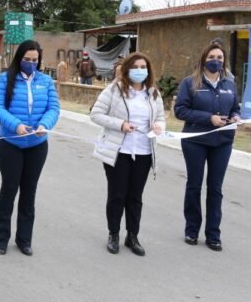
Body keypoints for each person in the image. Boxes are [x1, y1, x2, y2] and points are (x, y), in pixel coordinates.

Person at [90, 52, 165, 256]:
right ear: (127, 69)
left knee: (135, 197)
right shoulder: (114, 91)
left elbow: (160, 117)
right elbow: (95, 114)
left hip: (143, 152)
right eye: (136, 67)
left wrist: (158, 126)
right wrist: (120, 124)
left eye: (144, 67)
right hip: (118, 151)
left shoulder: (153, 94)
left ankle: (132, 236)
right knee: (117, 195)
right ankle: (113, 233)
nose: (140, 71)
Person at [0, 40, 60, 256]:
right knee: (9, 188)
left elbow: (54, 108)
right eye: (27, 60)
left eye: (34, 60)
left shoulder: (46, 81)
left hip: (37, 145)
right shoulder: (5, 79)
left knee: (29, 191)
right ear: (19, 58)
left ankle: (24, 239)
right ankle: (1, 238)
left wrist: (45, 125)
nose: (31, 63)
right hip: (10, 143)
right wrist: (16, 125)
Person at [174, 42, 240, 251]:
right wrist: (208, 118)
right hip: (195, 140)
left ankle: (213, 235)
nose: (216, 61)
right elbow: (180, 110)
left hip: (222, 142)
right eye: (212, 56)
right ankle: (191, 230)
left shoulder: (230, 84)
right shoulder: (190, 83)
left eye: (220, 58)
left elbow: (235, 108)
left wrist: (236, 117)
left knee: (216, 188)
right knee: (194, 185)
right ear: (204, 58)